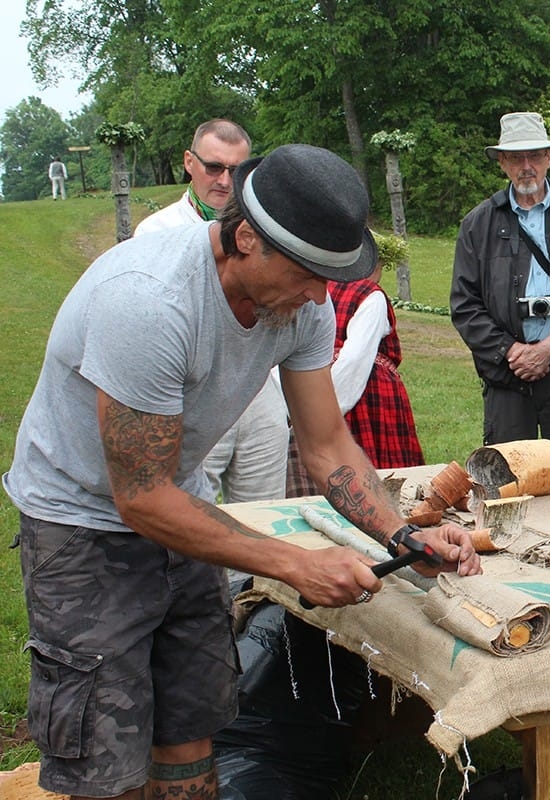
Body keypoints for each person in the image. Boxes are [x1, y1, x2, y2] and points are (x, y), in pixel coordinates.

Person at [4, 143, 481, 800]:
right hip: (82, 525)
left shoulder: (302, 304)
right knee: (104, 757)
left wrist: (402, 538)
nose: (322, 295)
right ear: (246, 238)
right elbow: (139, 496)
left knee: (194, 725)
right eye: (309, 272)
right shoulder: (150, 302)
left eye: (329, 275)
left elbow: (327, 446)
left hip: (184, 503)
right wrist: (293, 563)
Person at [451, 111, 550, 501]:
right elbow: (464, 305)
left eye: (535, 155)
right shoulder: (478, 223)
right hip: (507, 374)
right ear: (502, 162)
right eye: (517, 158)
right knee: (506, 481)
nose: (527, 166)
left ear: (549, 158)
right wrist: (511, 352)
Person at [135, 119, 291, 504]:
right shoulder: (156, 231)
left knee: (264, 512)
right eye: (214, 167)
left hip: (259, 387)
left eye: (237, 171)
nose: (225, 180)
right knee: (192, 507)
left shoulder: (268, 230)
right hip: (194, 391)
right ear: (190, 162)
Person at [287, 255, 425, 496]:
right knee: (368, 480)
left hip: (314, 387)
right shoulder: (370, 294)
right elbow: (354, 359)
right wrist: (325, 412)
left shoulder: (314, 288)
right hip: (362, 397)